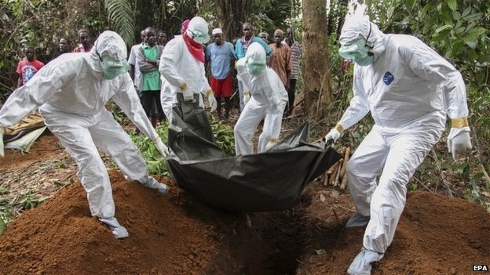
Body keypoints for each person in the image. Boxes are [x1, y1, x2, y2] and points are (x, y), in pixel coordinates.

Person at [323, 16, 472, 275]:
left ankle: (372, 251)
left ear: (371, 41)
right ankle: (368, 212)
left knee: (390, 182)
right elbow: (361, 101)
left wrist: (459, 123)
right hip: (384, 127)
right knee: (357, 168)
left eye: (357, 52)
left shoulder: (404, 48)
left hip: (418, 125)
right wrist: (337, 129)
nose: (356, 59)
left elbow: (450, 77)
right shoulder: (362, 64)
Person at [0, 31, 170, 239]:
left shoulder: (118, 73)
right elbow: (31, 92)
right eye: (111, 67)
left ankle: (141, 178)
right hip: (63, 115)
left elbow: (133, 106)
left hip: (95, 113)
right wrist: (3, 123)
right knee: (91, 159)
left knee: (124, 144)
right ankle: (104, 215)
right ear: (97, 56)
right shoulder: (70, 65)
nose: (115, 72)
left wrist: (155, 138)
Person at [159, 16, 217, 123]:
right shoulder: (177, 44)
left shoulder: (199, 49)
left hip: (193, 97)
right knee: (180, 130)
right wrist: (183, 85)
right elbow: (164, 66)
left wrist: (209, 92)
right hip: (175, 96)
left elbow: (200, 74)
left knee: (195, 130)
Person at [234, 42, 288, 155]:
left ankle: (262, 164)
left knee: (265, 139)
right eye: (253, 65)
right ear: (247, 61)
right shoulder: (240, 65)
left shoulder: (269, 81)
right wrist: (245, 93)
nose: (256, 69)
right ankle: (245, 161)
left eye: (259, 66)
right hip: (256, 98)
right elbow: (243, 77)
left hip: (274, 101)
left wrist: (274, 138)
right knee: (240, 129)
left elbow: (276, 109)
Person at [234, 22, 273, 112]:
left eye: (248, 29)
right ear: (242, 31)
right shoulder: (239, 43)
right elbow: (236, 56)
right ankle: (244, 116)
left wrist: (262, 63)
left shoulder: (258, 41)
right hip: (242, 76)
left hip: (255, 74)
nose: (246, 32)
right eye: (245, 30)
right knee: (243, 95)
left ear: (252, 31)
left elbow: (269, 52)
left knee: (256, 96)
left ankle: (256, 116)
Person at [137, 27, 165, 128]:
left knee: (161, 109)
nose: (151, 37)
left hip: (159, 84)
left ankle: (163, 129)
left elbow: (164, 64)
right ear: (145, 37)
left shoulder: (161, 49)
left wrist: (150, 61)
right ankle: (145, 131)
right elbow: (141, 66)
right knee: (145, 110)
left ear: (156, 36)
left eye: (153, 35)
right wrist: (157, 64)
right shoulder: (140, 50)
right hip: (146, 86)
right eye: (148, 35)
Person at [205, 28, 236, 122]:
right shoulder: (210, 47)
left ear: (222, 36)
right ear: (213, 37)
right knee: (216, 97)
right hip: (214, 76)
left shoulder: (229, 46)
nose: (217, 38)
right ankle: (219, 116)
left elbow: (234, 58)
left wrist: (231, 69)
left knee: (227, 97)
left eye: (219, 36)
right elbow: (207, 60)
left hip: (226, 76)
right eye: (215, 36)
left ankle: (226, 116)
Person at [284, 27, 302, 117]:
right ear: (286, 34)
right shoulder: (282, 44)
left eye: (292, 34)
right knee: (283, 94)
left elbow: (302, 55)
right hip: (282, 74)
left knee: (291, 94)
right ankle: (282, 113)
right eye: (289, 33)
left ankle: (289, 112)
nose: (290, 35)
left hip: (293, 74)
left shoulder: (298, 45)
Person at [267, 29, 291, 94]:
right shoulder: (269, 47)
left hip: (282, 79)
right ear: (273, 37)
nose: (277, 38)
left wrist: (288, 82)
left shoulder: (286, 49)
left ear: (282, 38)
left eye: (279, 37)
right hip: (270, 79)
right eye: (276, 37)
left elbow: (289, 67)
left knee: (282, 99)